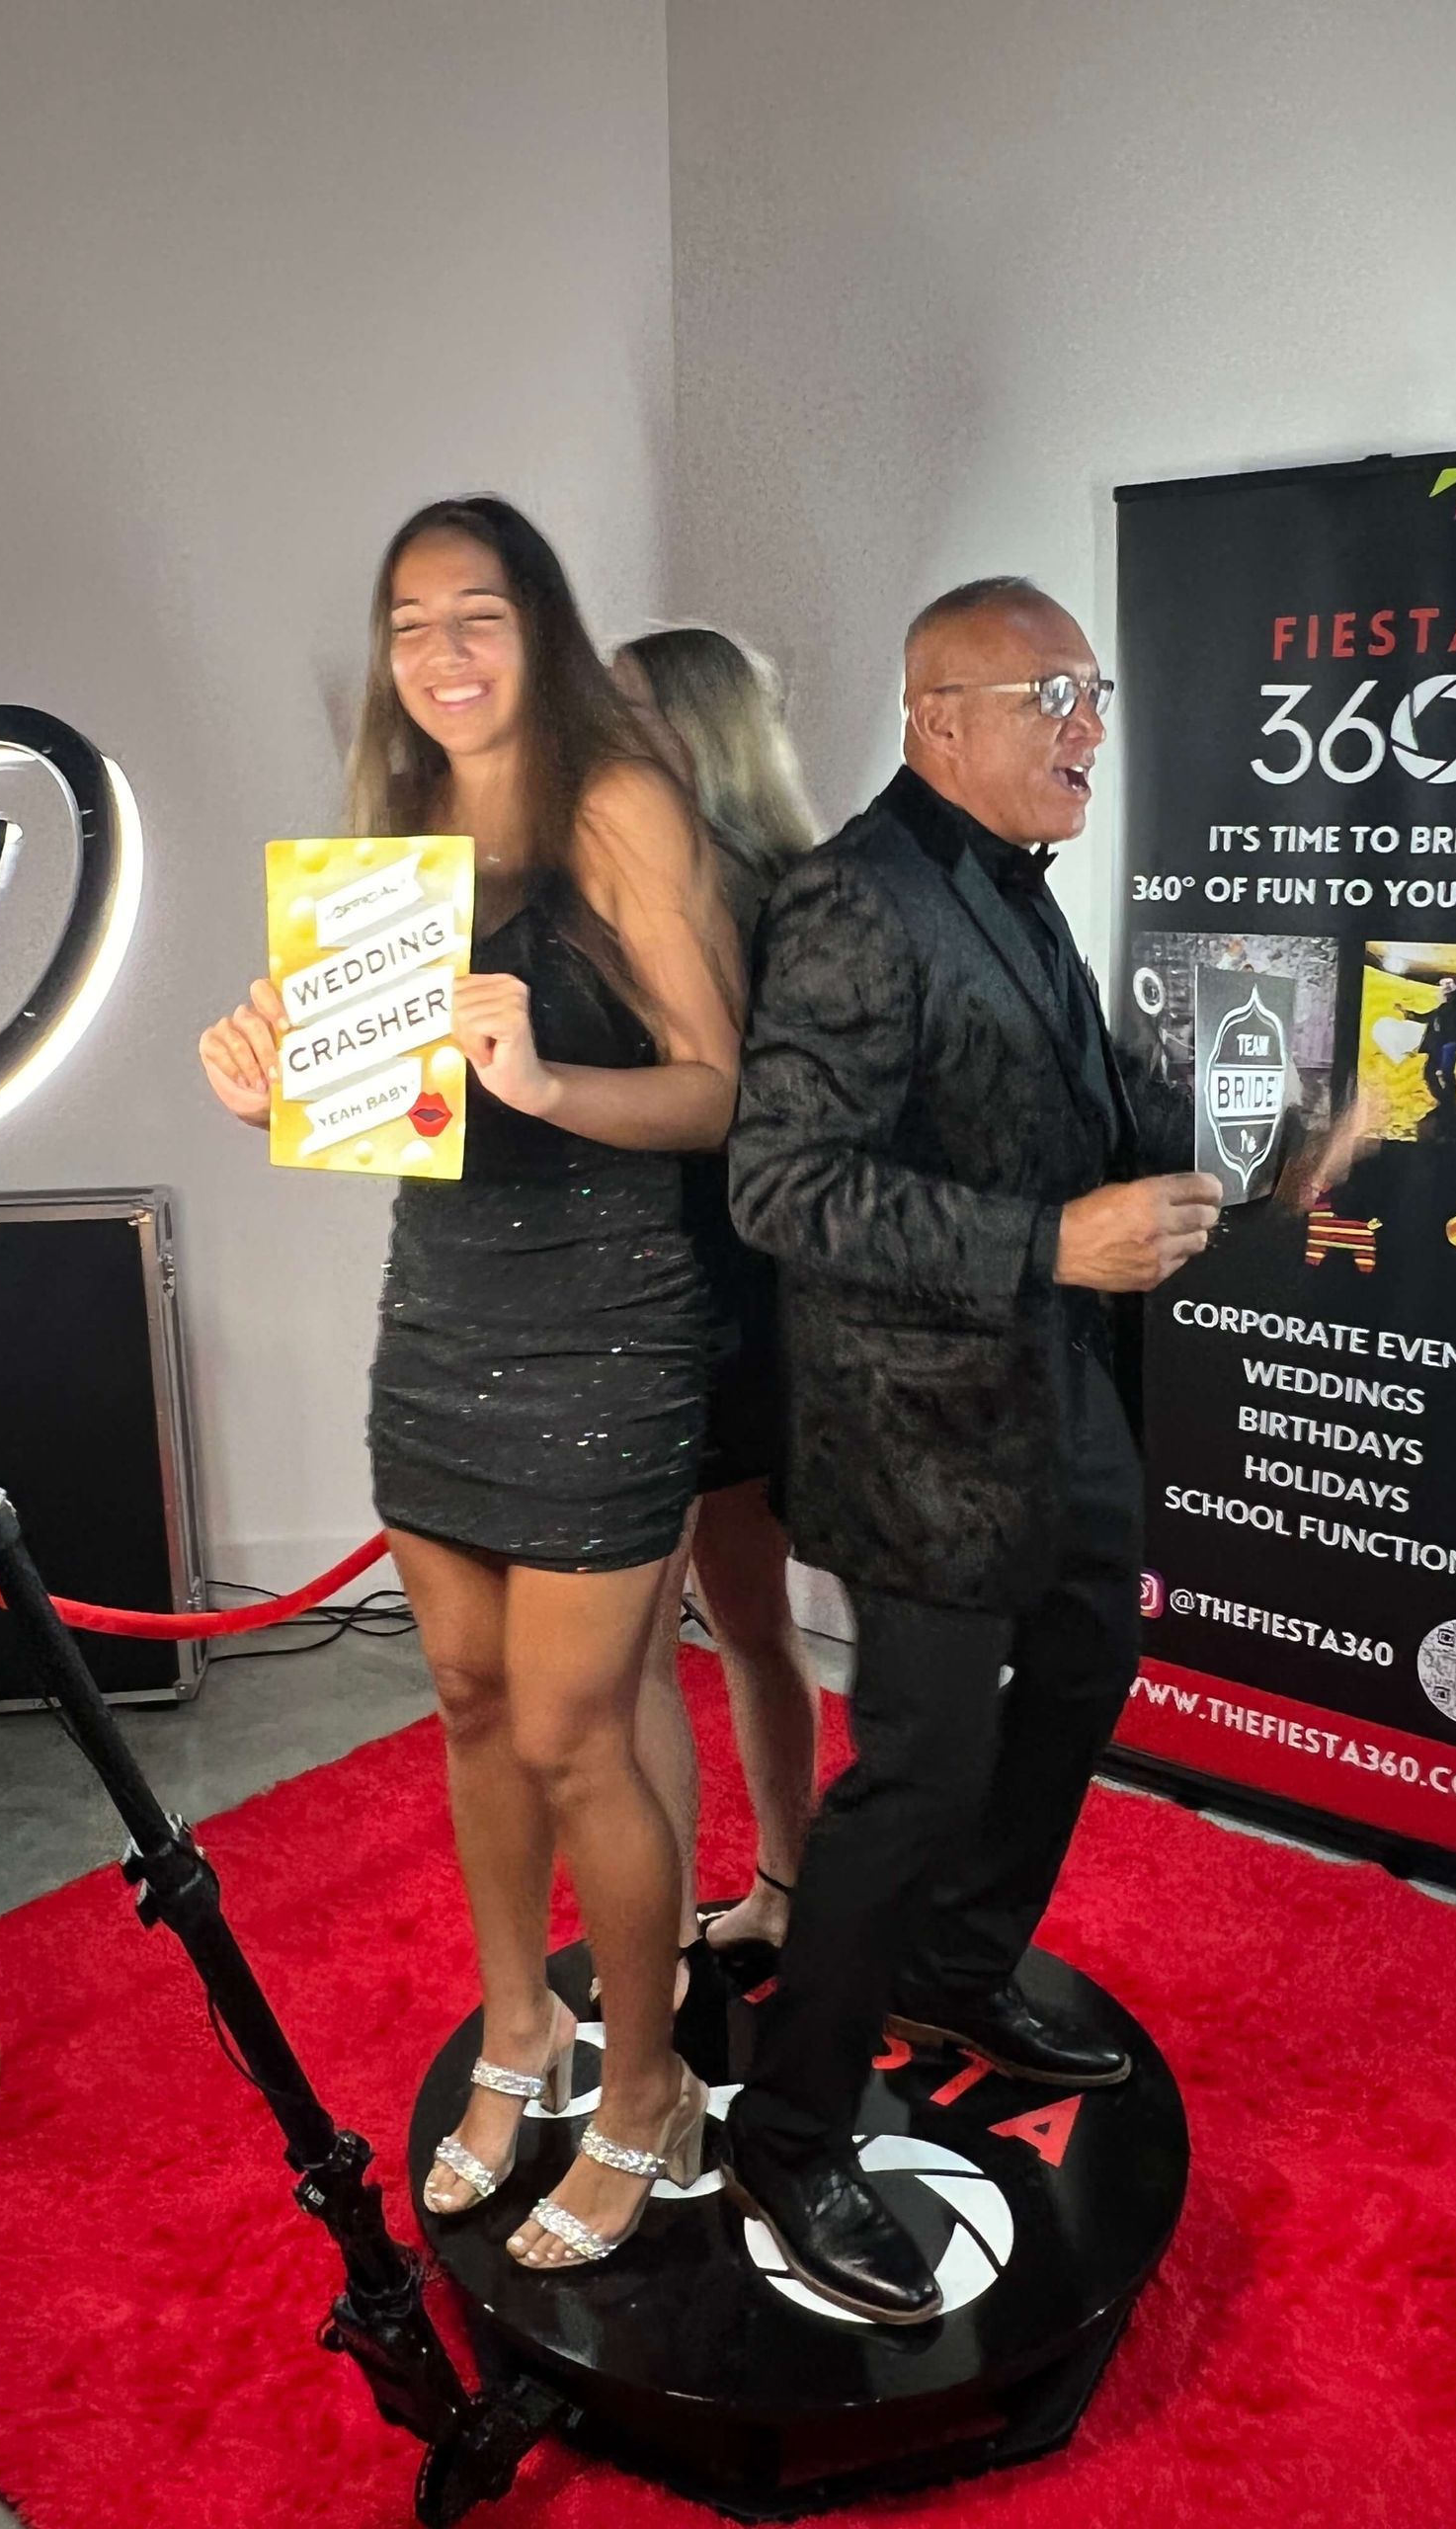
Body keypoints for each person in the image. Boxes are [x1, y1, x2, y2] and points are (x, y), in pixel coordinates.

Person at [197, 497, 742, 2272]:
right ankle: (524, 2027)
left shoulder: (621, 803)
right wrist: (267, 1087)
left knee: (580, 1733)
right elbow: (379, 1114)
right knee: (465, 1700)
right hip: (437, 1323)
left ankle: (648, 2085)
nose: (442, 652)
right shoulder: (394, 833)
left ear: (540, 628)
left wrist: (550, 1081)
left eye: (478, 613)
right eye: (410, 620)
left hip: (608, 1332)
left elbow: (717, 1088)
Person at [717, 575, 1222, 2325]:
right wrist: (1053, 1243)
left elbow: (1070, 1108)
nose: (1089, 728)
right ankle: (790, 2130)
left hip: (1057, 1391)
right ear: (938, 718)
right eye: (1050, 696)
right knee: (922, 1771)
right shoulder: (855, 897)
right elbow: (782, 1185)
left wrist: (1258, 1144)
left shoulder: (1011, 879)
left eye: (1094, 694)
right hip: (916, 1427)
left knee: (1088, 1666)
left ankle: (955, 1963)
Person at [608, 627, 820, 1961]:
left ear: (699, 730)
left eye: (627, 711)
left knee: (643, 1652)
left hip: (677, 1301)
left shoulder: (697, 898)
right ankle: (779, 1895)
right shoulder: (802, 891)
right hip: (754, 1296)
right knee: (750, 1620)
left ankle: (669, 1951)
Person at [1398, 973, 1456, 1105]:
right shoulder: (1445, 1008)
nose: (1442, 992)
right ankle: (1447, 1100)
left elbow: (1433, 1018)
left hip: (1445, 1046)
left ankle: (1448, 1101)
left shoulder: (1453, 1007)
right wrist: (1409, 1014)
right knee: (1436, 1074)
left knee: (1441, 1074)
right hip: (1439, 1047)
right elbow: (1429, 1017)